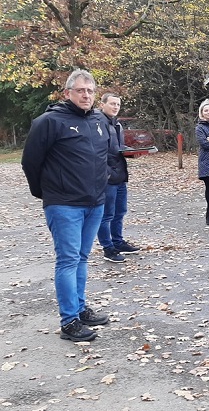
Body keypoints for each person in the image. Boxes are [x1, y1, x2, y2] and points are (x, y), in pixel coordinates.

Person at [21, 69, 112, 342]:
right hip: (64, 205)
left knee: (82, 258)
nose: (86, 95)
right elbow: (30, 162)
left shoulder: (98, 119)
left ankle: (81, 308)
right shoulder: (48, 122)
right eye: (80, 90)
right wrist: (46, 193)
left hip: (95, 203)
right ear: (67, 93)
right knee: (68, 260)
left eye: (90, 90)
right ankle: (69, 321)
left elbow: (103, 157)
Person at [96, 93, 140, 263]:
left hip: (120, 175)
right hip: (107, 177)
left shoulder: (117, 124)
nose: (115, 107)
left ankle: (118, 241)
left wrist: (132, 152)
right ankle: (108, 248)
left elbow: (117, 148)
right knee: (106, 214)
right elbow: (96, 152)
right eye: (112, 104)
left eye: (118, 104)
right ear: (102, 104)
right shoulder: (97, 123)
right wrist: (106, 173)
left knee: (119, 212)